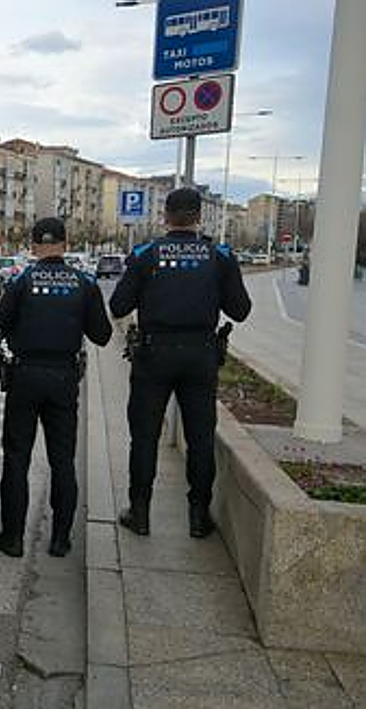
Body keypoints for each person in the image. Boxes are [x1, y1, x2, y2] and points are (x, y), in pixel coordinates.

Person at [110, 186, 252, 538]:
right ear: (200, 217)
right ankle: (198, 517)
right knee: (201, 437)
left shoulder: (146, 254)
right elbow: (240, 310)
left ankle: (140, 514)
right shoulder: (219, 255)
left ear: (166, 216)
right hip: (200, 355)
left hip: (153, 355)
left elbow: (118, 307)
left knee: (144, 437)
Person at [0, 218, 113, 558]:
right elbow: (102, 335)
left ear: (33, 245)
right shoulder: (84, 283)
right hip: (63, 379)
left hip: (24, 377)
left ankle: (12, 538)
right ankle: (60, 539)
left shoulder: (21, 282)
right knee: (62, 460)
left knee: (16, 458)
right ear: (66, 242)